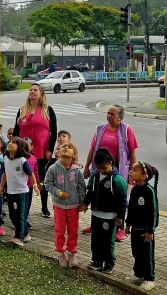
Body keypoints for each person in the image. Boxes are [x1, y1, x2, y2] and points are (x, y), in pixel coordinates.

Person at [83, 104, 138, 242]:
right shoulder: (100, 128)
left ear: (120, 117)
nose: (109, 116)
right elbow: (92, 148)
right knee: (98, 195)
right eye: (108, 113)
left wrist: (132, 172)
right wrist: (87, 166)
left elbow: (132, 152)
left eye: (112, 114)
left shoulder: (126, 130)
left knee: (118, 198)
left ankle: (119, 228)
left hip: (117, 169)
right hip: (99, 168)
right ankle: (95, 223)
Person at [80, 148, 128, 275]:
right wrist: (85, 204)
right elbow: (90, 191)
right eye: (99, 168)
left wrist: (120, 217)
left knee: (107, 241)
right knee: (96, 239)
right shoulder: (94, 176)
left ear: (111, 163)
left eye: (104, 168)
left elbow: (123, 200)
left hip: (110, 216)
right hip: (96, 214)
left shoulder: (117, 180)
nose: (101, 171)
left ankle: (109, 263)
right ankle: (96, 260)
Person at [13, 84, 57, 218]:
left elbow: (53, 131)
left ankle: (44, 206)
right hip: (24, 151)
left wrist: (50, 149)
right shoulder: (22, 110)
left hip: (41, 150)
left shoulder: (48, 110)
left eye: (35, 90)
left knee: (41, 179)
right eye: (30, 90)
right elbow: (16, 130)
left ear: (41, 94)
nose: (32, 92)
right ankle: (24, 207)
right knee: (25, 179)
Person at [45, 142, 85, 267]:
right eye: (63, 147)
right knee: (59, 230)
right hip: (59, 206)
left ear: (74, 155)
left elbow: (81, 187)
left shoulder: (77, 171)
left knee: (73, 230)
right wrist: (58, 193)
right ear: (58, 152)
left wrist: (83, 203)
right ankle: (60, 252)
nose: (66, 148)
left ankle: (72, 252)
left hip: (74, 206)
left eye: (70, 147)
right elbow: (48, 184)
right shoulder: (53, 168)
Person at [0, 137, 40, 247]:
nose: (10, 143)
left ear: (19, 147)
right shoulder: (5, 159)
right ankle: (25, 233)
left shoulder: (22, 160)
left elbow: (31, 174)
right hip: (10, 191)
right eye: (10, 142)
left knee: (21, 215)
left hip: (22, 192)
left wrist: (35, 185)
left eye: (13, 143)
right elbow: (4, 174)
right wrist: (1, 187)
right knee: (12, 215)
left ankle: (19, 237)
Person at [125, 161, 160, 291]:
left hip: (146, 231)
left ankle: (150, 278)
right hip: (135, 228)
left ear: (144, 175)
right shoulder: (134, 189)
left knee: (147, 255)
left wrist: (150, 230)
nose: (130, 171)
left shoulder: (149, 191)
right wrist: (128, 224)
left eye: (134, 170)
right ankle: (139, 275)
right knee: (136, 253)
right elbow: (131, 208)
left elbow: (153, 211)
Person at [24, 137, 39, 230]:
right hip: (20, 186)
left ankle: (25, 219)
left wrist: (37, 183)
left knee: (28, 204)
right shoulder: (18, 158)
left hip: (29, 185)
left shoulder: (33, 158)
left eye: (27, 146)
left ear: (32, 147)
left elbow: (35, 172)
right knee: (21, 204)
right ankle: (19, 220)